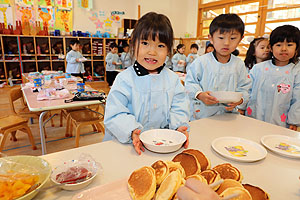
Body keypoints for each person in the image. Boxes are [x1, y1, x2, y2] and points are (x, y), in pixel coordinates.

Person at [103, 12, 190, 155]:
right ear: (133, 44)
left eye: (160, 45)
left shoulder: (172, 79)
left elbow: (180, 107)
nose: (152, 51)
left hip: (162, 146)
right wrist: (132, 130)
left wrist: (179, 126)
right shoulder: (124, 79)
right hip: (127, 146)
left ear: (169, 50)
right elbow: (115, 114)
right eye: (145, 43)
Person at [185, 14, 251, 120]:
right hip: (202, 116)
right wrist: (200, 94)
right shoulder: (201, 62)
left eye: (233, 38)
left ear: (240, 39)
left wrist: (240, 100)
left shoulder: (239, 64)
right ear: (211, 38)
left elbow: (245, 88)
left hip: (228, 116)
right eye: (221, 38)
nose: (226, 43)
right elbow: (190, 83)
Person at [245, 25, 300, 130]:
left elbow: (298, 99)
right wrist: (241, 107)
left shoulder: (296, 72)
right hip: (253, 119)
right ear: (270, 47)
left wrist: (294, 121)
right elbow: (247, 89)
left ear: (296, 48)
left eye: (289, 45)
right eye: (278, 45)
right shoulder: (258, 69)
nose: (284, 49)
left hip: (280, 123)